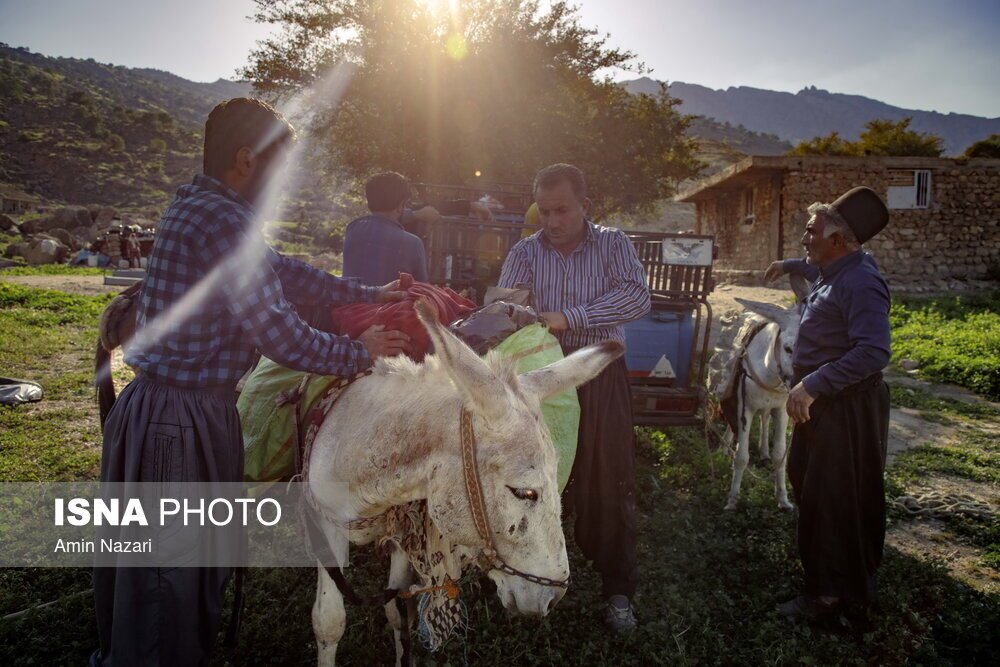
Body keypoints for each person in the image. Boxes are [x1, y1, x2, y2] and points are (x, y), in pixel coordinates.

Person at [91, 98, 411, 666]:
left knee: (175, 571)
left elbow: (279, 269)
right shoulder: (222, 219)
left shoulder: (201, 204)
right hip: (178, 420)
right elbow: (282, 337)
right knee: (170, 577)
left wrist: (367, 294)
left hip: (176, 410)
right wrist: (358, 353)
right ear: (246, 160)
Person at [497, 163, 650, 633]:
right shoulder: (525, 251)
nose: (552, 220)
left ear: (586, 205)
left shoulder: (613, 244)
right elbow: (506, 306)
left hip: (598, 377)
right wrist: (510, 314)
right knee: (529, 479)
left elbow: (637, 298)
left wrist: (569, 317)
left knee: (607, 480)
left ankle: (617, 587)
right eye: (544, 211)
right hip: (540, 380)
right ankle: (520, 572)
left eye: (562, 210)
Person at [763, 186, 892, 620]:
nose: (805, 238)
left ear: (838, 240)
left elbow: (873, 351)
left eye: (811, 231)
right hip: (823, 405)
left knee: (834, 499)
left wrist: (813, 383)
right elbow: (816, 270)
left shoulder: (861, 282)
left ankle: (828, 598)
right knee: (813, 489)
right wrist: (788, 265)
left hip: (844, 408)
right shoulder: (836, 269)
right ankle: (830, 580)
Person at [342, 171, 435, 285]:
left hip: (351, 301)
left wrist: (414, 214)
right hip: (387, 303)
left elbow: (383, 217)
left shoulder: (352, 229)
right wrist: (418, 214)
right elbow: (422, 288)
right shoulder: (414, 243)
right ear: (401, 206)